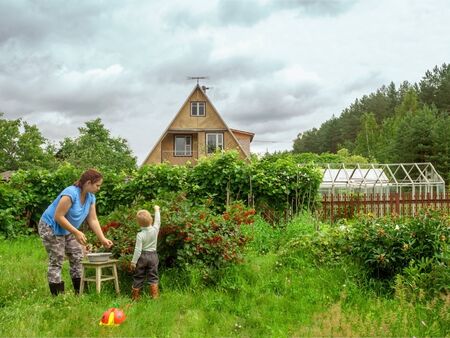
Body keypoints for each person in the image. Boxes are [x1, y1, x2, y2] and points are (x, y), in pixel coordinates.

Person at [38, 169, 113, 296]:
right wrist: (76, 232)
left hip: (68, 229)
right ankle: (58, 297)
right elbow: (58, 216)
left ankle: (80, 292)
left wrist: (102, 239)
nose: (98, 188)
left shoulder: (91, 198)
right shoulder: (70, 193)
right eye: (97, 185)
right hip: (51, 226)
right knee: (57, 259)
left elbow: (93, 219)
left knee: (78, 257)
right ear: (88, 183)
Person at [130, 206, 161, 300]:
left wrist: (133, 262)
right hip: (153, 256)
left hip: (142, 257)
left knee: (139, 276)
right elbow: (158, 221)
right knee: (153, 276)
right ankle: (155, 296)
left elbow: (138, 250)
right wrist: (156, 210)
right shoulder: (155, 230)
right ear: (151, 220)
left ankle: (135, 298)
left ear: (139, 223)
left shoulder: (140, 235)